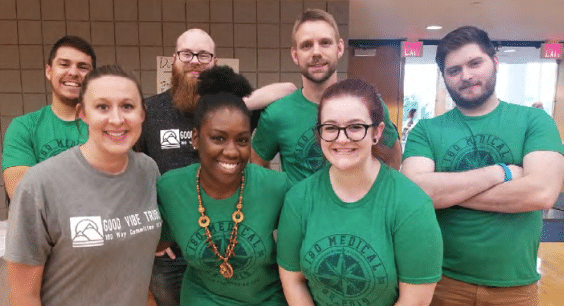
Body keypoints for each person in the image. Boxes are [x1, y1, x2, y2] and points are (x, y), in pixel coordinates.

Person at [401, 26, 564, 305]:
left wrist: (448, 194)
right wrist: (502, 172)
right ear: (444, 78)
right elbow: (416, 193)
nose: (466, 75)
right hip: (441, 281)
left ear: (495, 61)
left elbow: (540, 194)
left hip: (515, 287)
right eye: (454, 70)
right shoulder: (426, 131)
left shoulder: (535, 122)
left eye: (475, 63)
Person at [136, 28, 296, 305]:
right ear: (174, 59)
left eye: (203, 55)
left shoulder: (235, 113)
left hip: (234, 240)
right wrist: (154, 238)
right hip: (177, 242)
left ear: (214, 62)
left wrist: (234, 105)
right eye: (187, 53)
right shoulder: (151, 111)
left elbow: (289, 90)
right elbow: (137, 172)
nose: (195, 60)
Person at [4, 65, 162, 305]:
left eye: (127, 106)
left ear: (142, 114)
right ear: (83, 113)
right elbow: (24, 296)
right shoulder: (40, 185)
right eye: (102, 107)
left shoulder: (148, 171)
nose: (117, 119)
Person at [276, 79, 443, 306]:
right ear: (319, 133)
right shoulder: (298, 199)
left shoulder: (411, 204)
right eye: (331, 128)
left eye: (355, 127)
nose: (342, 139)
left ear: (376, 132)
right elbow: (292, 280)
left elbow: (416, 300)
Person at [251, 9, 402, 184]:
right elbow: (258, 164)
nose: (316, 52)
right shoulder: (277, 114)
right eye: (306, 45)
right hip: (299, 210)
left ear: (339, 48)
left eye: (325, 43)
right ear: (295, 55)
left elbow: (392, 157)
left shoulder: (369, 104)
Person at [2, 36, 95, 199]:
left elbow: (116, 189)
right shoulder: (24, 127)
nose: (73, 72)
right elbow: (22, 195)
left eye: (82, 67)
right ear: (49, 71)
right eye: (64, 64)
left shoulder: (107, 127)